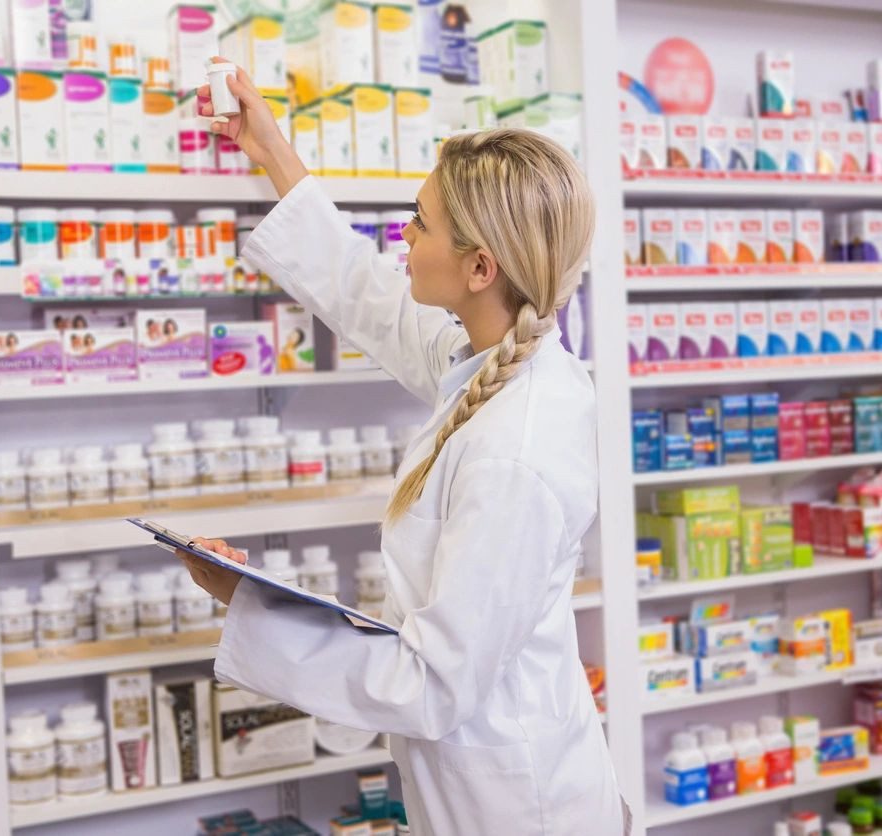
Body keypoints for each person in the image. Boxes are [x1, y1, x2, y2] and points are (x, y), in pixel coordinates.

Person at [175, 59, 627, 835]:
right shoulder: (496, 356)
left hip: (519, 813)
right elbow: (373, 298)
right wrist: (272, 151)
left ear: (480, 268)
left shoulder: (514, 453)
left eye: (419, 222)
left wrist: (248, 602)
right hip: (486, 789)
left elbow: (428, 684)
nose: (403, 235)